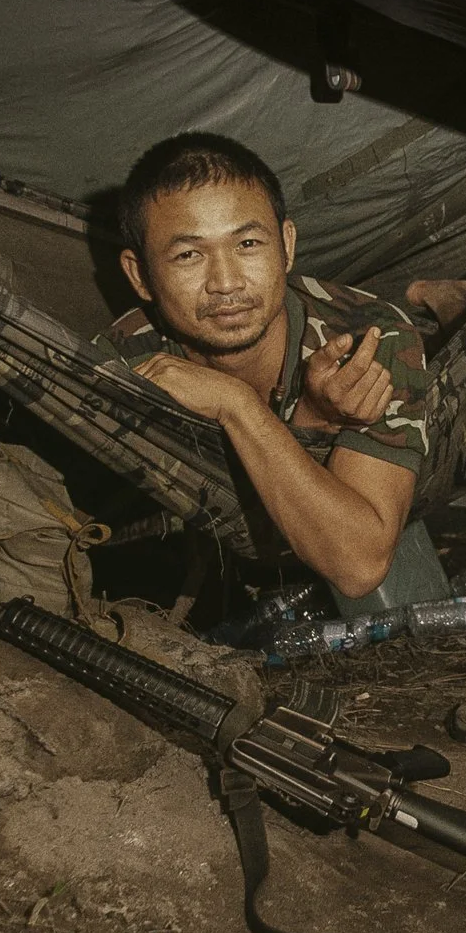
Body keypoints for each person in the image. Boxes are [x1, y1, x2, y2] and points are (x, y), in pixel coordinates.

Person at [108, 133, 433, 598]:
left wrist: (235, 404)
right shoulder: (122, 361)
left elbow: (359, 564)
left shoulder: (367, 339)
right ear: (140, 275)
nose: (225, 283)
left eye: (247, 244)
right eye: (188, 255)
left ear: (287, 245)